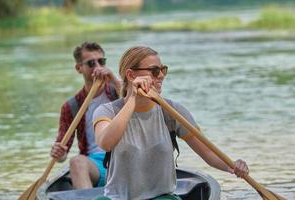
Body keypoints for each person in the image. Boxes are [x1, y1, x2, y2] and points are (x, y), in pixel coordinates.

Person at [92, 46, 249, 200]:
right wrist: (132, 98)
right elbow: (106, 143)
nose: (161, 76)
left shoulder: (173, 111)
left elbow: (208, 152)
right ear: (131, 75)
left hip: (161, 197)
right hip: (116, 198)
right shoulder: (107, 111)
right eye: (154, 71)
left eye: (163, 70)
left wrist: (232, 166)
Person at [50, 41, 121, 189]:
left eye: (101, 62)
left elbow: (136, 101)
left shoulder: (118, 91)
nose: (97, 67)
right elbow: (63, 153)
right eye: (91, 63)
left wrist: (114, 80)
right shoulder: (71, 106)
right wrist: (58, 153)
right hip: (96, 165)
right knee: (76, 162)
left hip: (126, 160)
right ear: (79, 68)